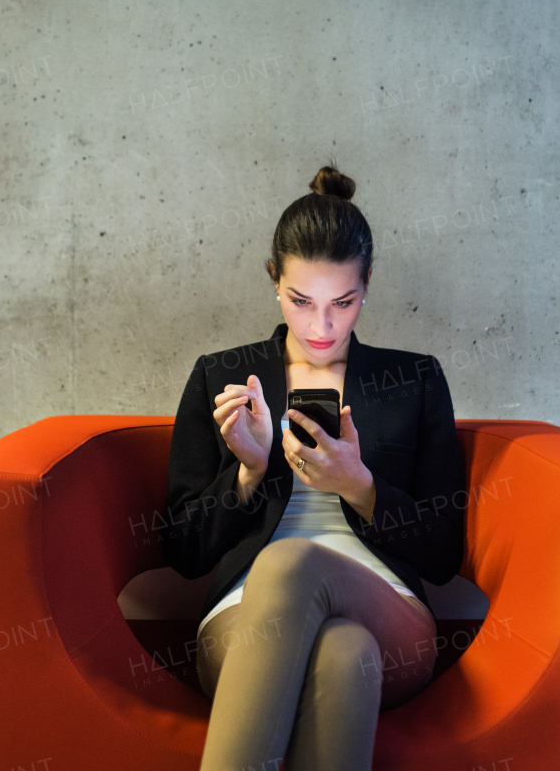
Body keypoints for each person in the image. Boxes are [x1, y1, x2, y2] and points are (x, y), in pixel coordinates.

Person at [162, 164, 468, 771]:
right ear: (273, 280)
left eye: (343, 302)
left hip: (391, 611)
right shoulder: (219, 376)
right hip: (243, 619)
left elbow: (442, 553)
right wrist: (247, 474)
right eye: (301, 301)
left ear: (368, 285)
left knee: (295, 561)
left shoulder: (414, 380)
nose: (322, 326)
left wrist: (360, 486)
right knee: (342, 654)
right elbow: (183, 549)